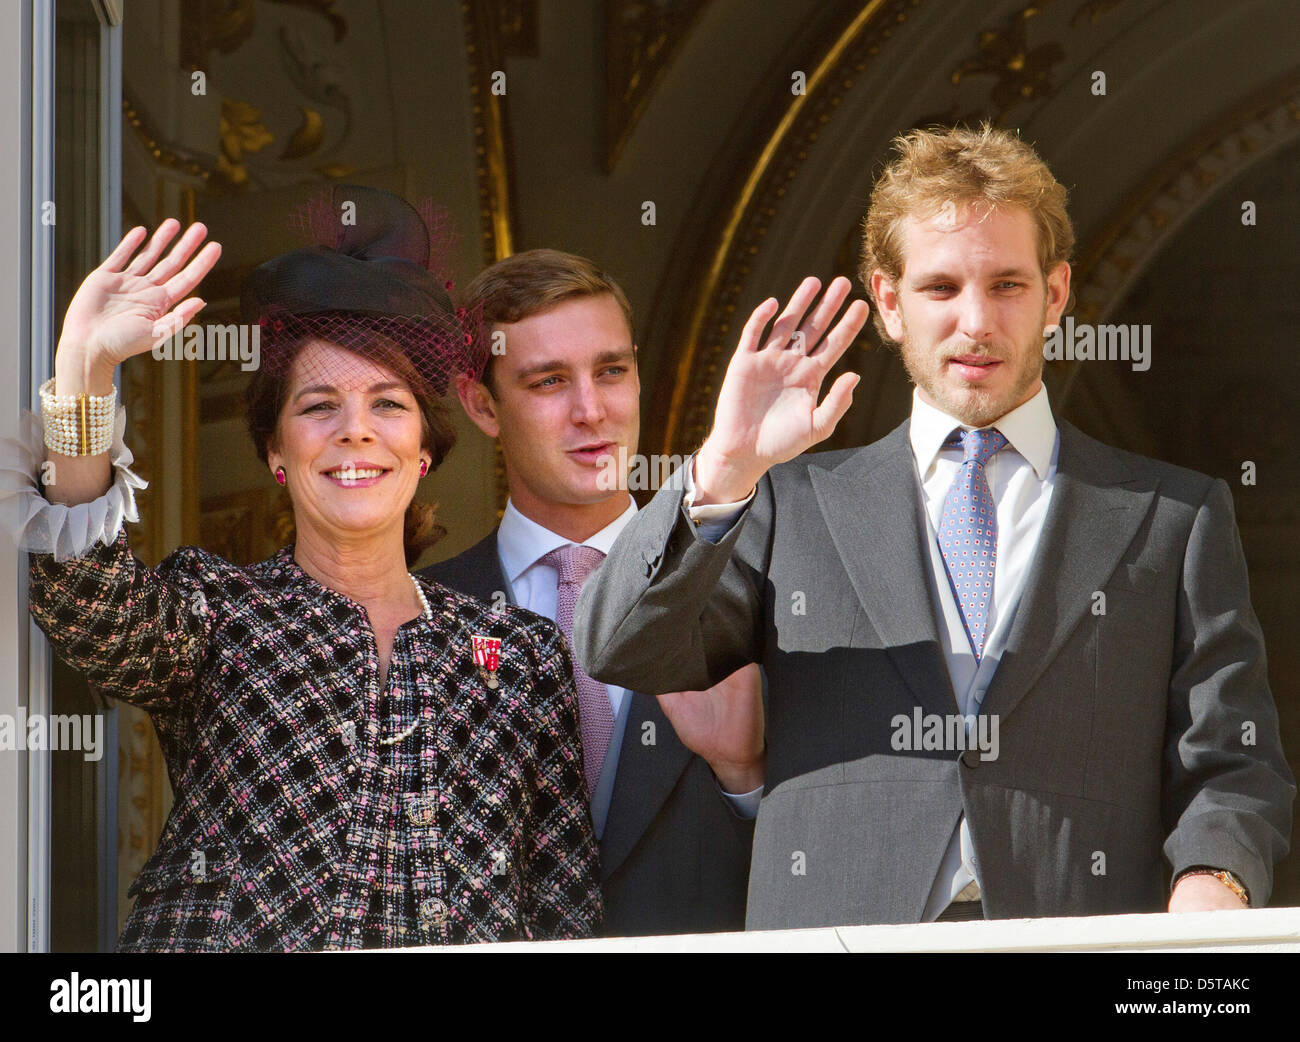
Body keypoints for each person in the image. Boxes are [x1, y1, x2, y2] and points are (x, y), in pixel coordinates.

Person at [574, 124, 1294, 929]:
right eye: (941, 288)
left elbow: (1234, 762)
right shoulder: (786, 503)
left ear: (1057, 294)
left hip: (1076, 945)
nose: (977, 322)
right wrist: (724, 466)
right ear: (887, 300)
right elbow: (619, 645)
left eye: (1008, 285)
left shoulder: (1175, 517)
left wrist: (1209, 889)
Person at [13, 187, 601, 950]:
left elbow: (567, 911)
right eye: (318, 406)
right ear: (275, 451)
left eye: (389, 405)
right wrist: (85, 370)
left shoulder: (520, 657)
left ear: (425, 450)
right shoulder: (217, 611)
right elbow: (89, 606)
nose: (355, 432)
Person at [420, 249, 762, 935]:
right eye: (548, 382)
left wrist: (746, 775)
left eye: (612, 371)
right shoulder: (419, 617)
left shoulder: (752, 586)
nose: (591, 411)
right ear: (481, 404)